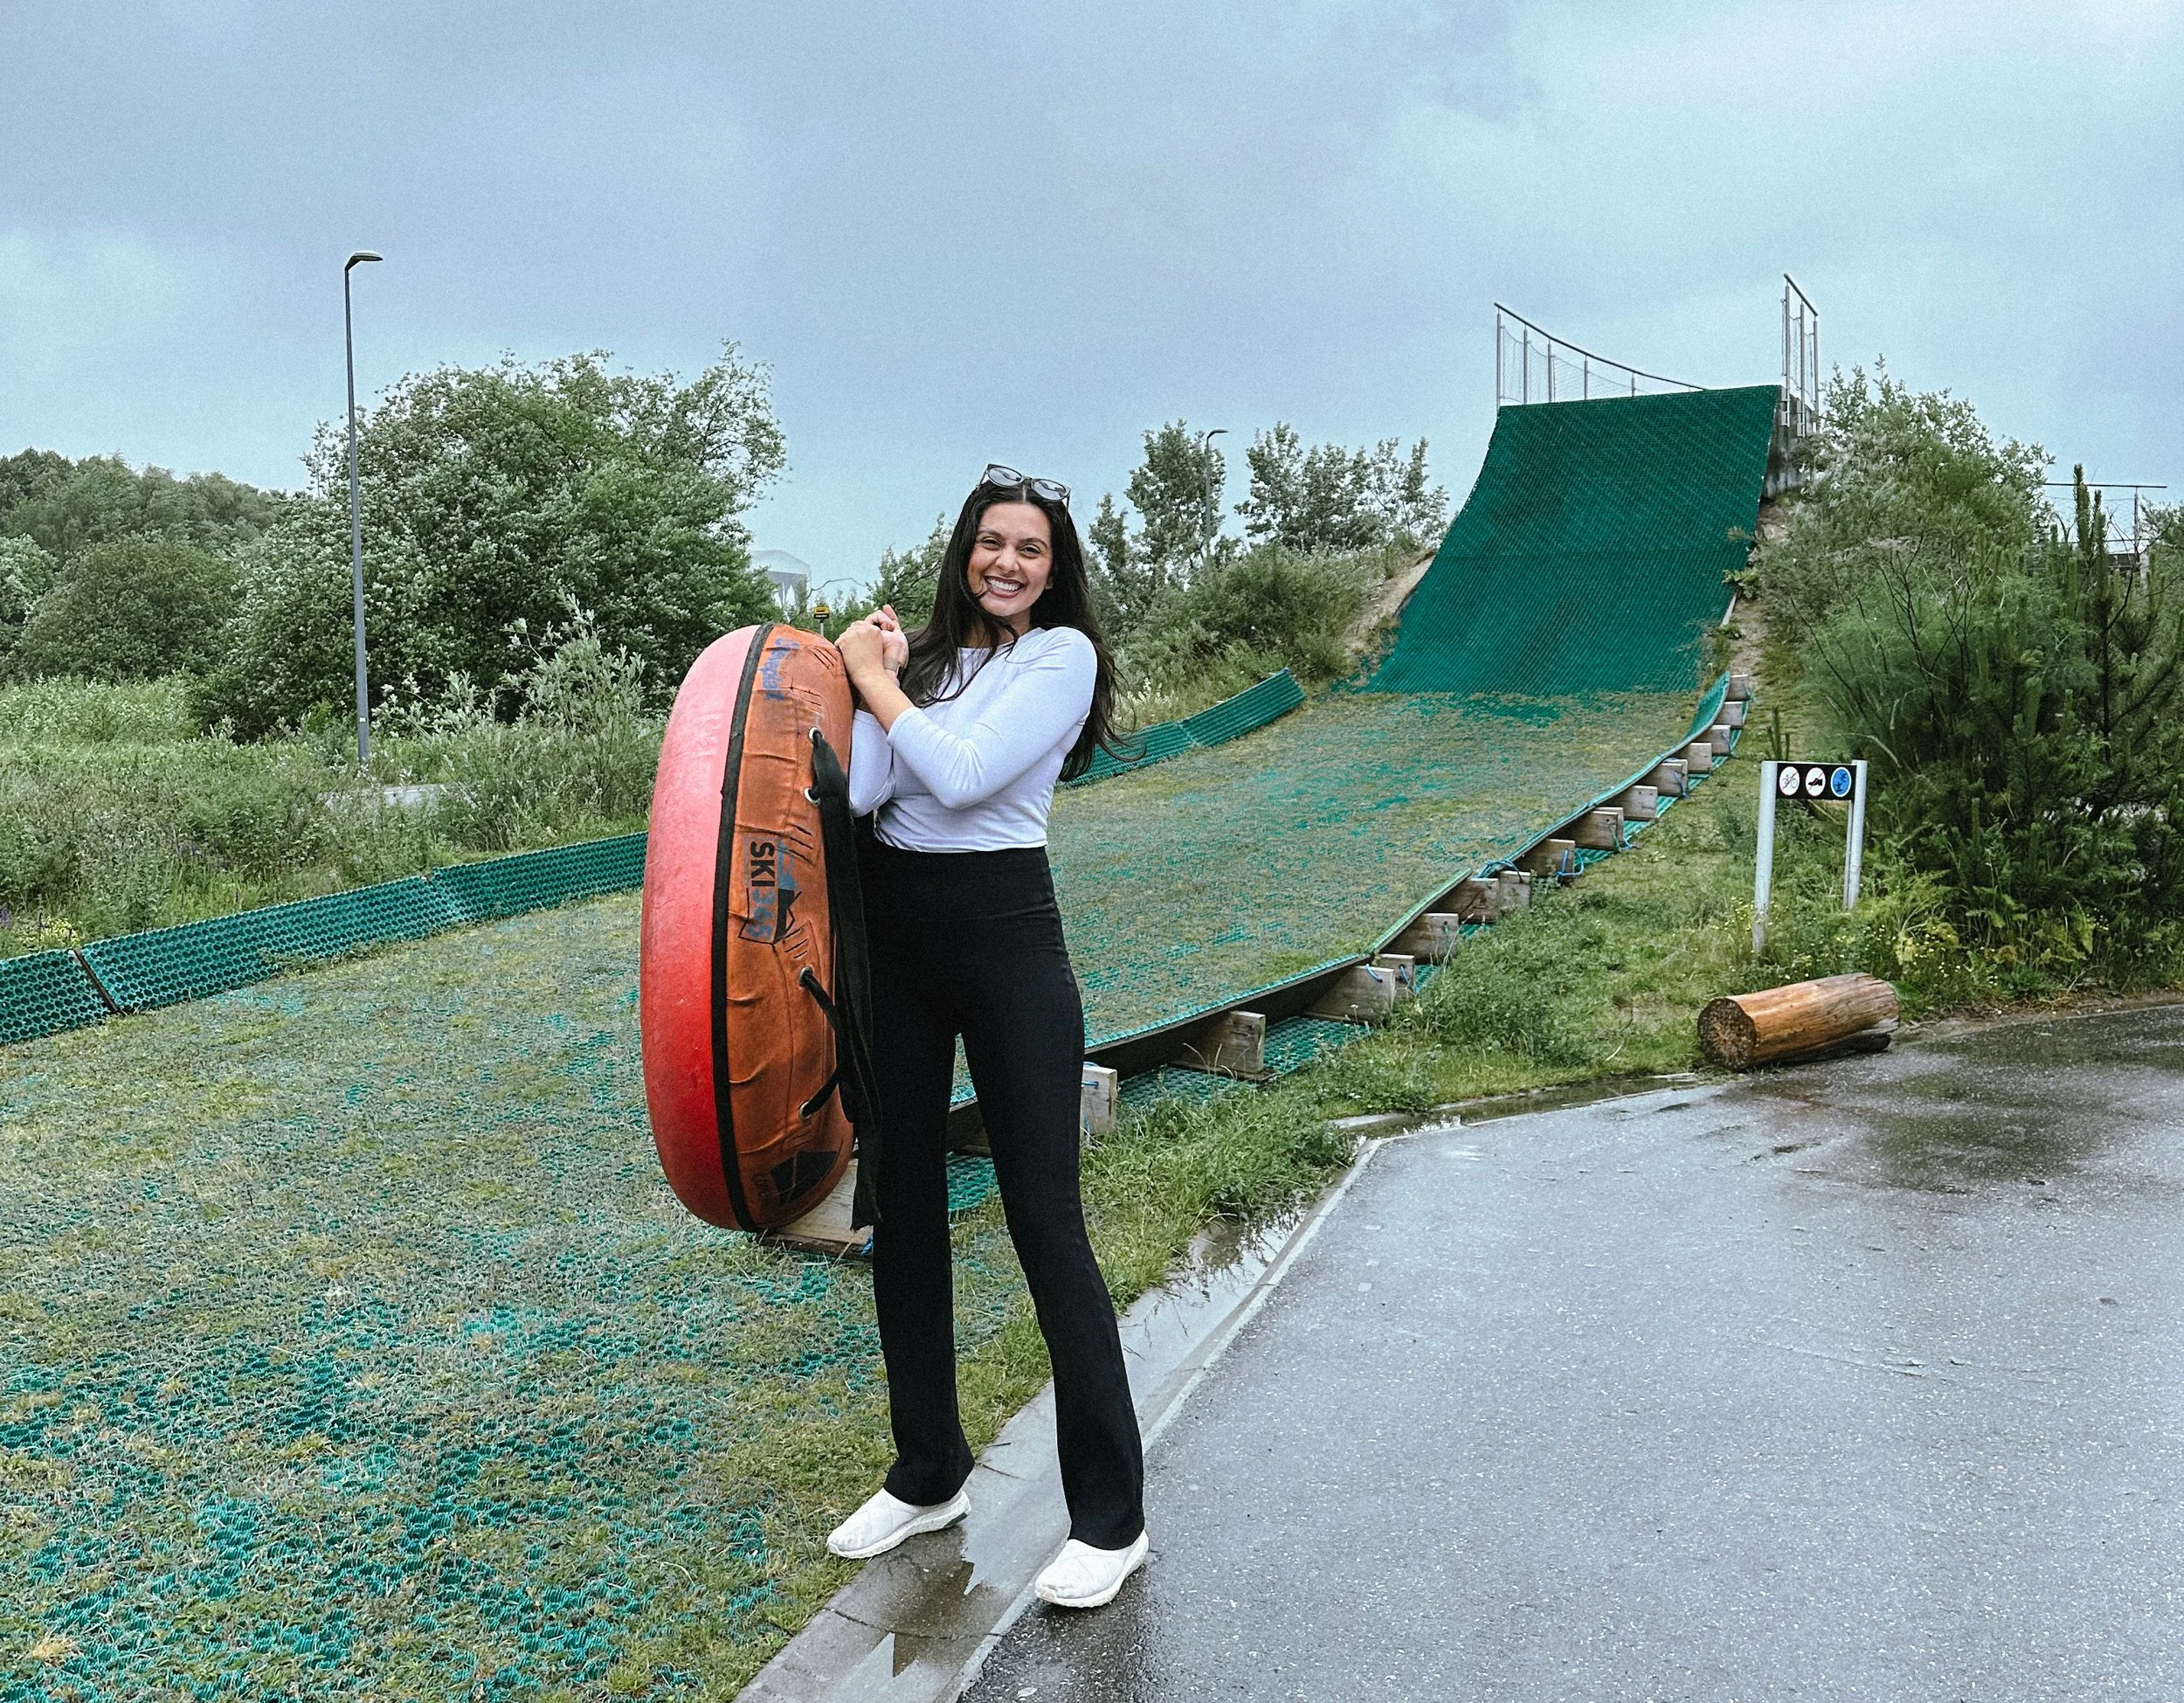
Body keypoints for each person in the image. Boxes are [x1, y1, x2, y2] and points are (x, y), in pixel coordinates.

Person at [823, 464, 1148, 1610]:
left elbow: (957, 778)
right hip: (900, 947)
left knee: (1043, 1221)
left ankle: (1111, 1520)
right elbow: (867, 793)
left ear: (1056, 571)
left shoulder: (1064, 660)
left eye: (1032, 550)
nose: (1007, 563)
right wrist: (868, 682)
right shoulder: (924, 662)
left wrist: (872, 682)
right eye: (992, 543)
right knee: (902, 1210)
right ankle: (928, 1472)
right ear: (964, 550)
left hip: (1007, 944)